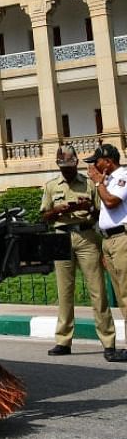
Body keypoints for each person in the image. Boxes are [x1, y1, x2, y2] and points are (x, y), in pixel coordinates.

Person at [40, 144, 122, 359]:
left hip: (86, 236)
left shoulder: (89, 184)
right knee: (64, 292)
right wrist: (58, 210)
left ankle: (108, 342)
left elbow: (99, 213)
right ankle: (63, 340)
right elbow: (44, 217)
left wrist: (87, 208)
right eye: (62, 166)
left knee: (98, 291)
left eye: (68, 165)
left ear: (76, 163)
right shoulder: (51, 186)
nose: (65, 170)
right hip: (61, 237)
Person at [87, 142, 127, 361]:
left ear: (108, 161)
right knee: (122, 296)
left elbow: (111, 202)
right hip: (110, 241)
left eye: (97, 161)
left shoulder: (122, 176)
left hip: (122, 239)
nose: (93, 165)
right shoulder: (108, 180)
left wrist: (97, 182)